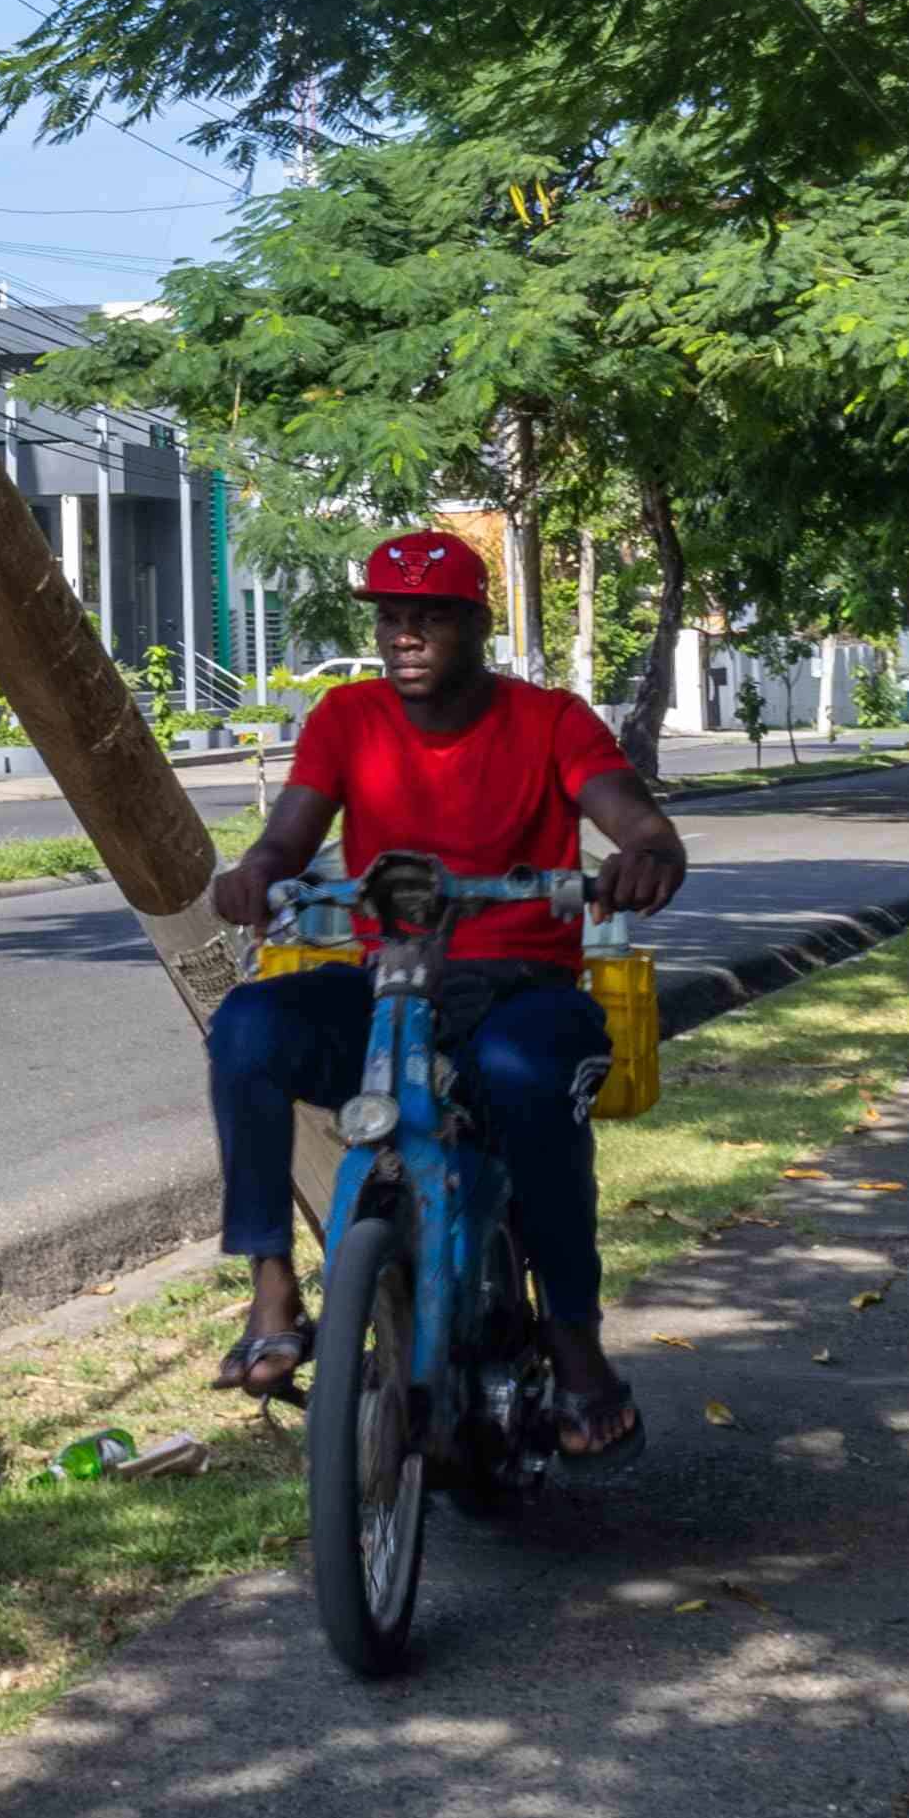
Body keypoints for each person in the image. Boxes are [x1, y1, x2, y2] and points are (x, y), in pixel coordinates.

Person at [199, 528, 693, 1453]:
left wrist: (649, 852)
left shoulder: (550, 720)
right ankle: (271, 1283)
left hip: (522, 989)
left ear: (477, 623)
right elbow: (287, 839)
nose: (406, 635)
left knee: (523, 1077)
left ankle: (575, 1339)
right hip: (391, 985)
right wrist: (257, 871)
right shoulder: (347, 718)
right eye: (391, 616)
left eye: (430, 617)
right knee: (246, 1029)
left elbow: (635, 817)